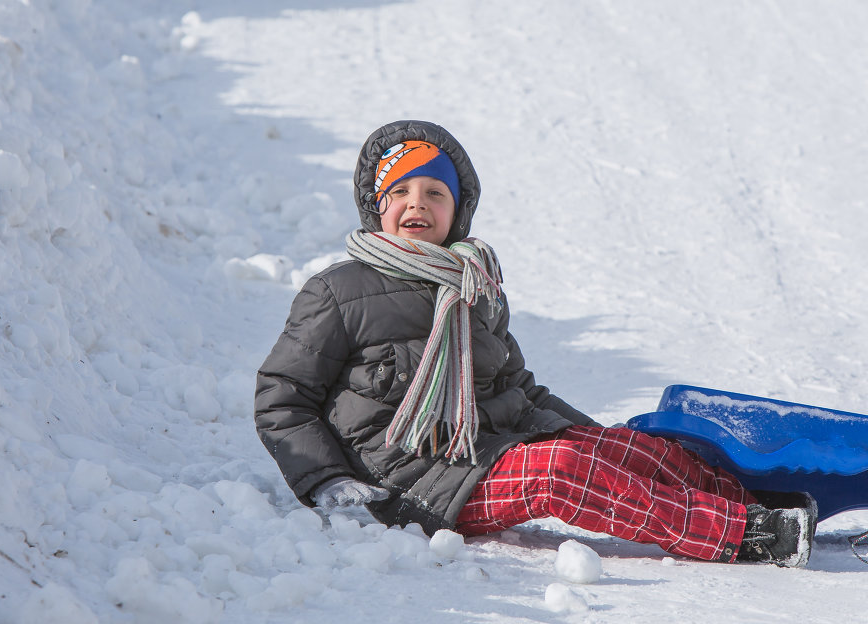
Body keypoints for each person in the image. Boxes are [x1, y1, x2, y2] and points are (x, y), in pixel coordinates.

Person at [254, 120, 816, 566]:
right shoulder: (338, 291)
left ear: (458, 211)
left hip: (480, 455)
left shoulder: (475, 285)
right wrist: (328, 481)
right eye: (399, 191)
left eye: (434, 192)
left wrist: (593, 436)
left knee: (623, 447)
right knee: (558, 473)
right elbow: (283, 396)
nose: (417, 204)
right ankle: (745, 535)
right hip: (402, 484)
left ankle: (752, 501)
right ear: (378, 207)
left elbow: (515, 386)